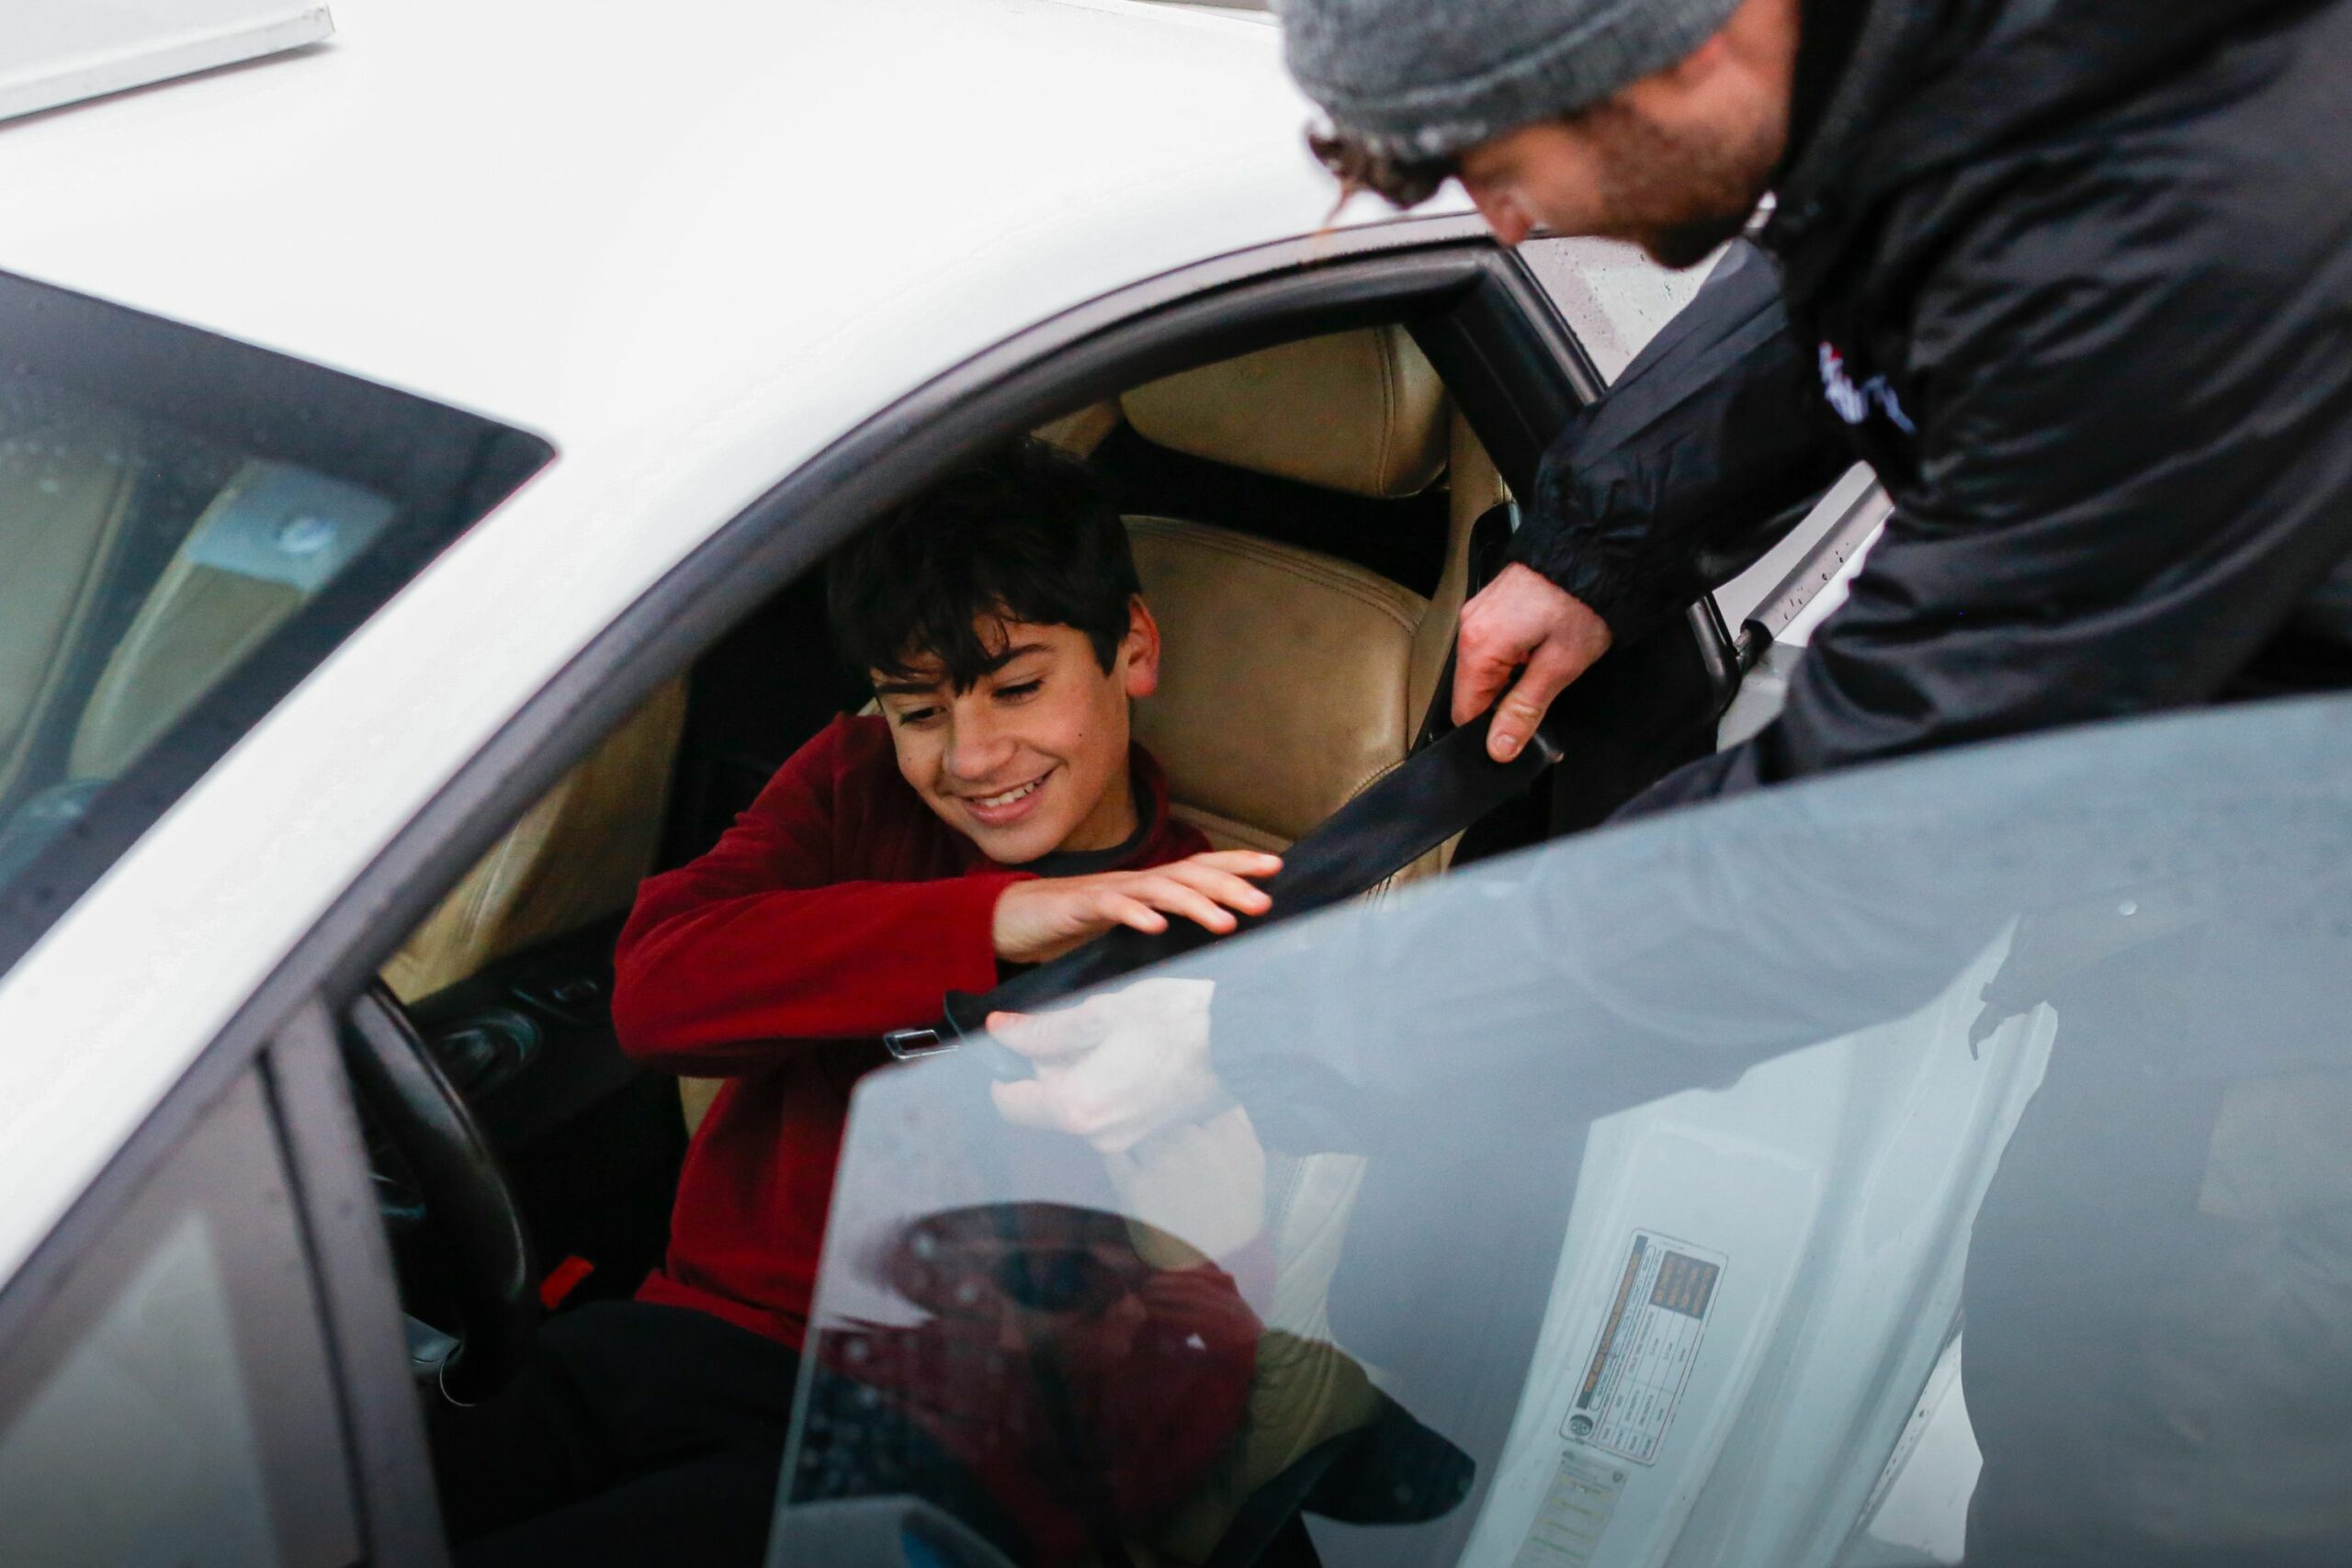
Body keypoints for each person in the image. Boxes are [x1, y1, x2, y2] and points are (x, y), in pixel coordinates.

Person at [426, 438, 1282, 1564]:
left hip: (912, 1441)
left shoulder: (1211, 925)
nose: (972, 757)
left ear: (1132, 650)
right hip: (677, 1342)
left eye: (1018, 688)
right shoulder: (854, 783)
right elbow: (656, 993)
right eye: (919, 709)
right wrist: (989, 920)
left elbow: (1195, 1322)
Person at [1279, 0, 2352, 814]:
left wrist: (1310, 1023)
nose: (1507, 230)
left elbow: (1881, 826)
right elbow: (1839, 259)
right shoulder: (1920, 70)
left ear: (1688, 49)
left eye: (1500, 168)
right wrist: (1593, 547)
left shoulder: (2153, 240)